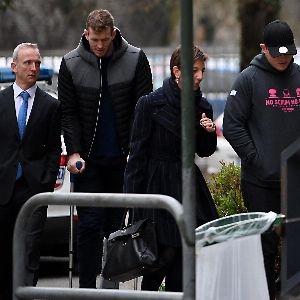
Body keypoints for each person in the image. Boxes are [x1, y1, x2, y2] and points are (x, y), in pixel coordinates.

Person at [58, 9, 153, 289]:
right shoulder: (71, 64)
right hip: (88, 161)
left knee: (116, 229)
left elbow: (142, 110)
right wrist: (74, 151)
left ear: (114, 34)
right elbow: (69, 114)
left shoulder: (136, 59)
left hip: (123, 160)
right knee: (89, 225)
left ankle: (109, 287)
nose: (99, 46)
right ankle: (87, 289)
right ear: (86, 34)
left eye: (104, 39)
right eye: (94, 39)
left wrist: (136, 151)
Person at [123, 45, 219, 292]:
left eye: (202, 71)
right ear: (177, 71)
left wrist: (208, 132)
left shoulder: (203, 106)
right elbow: (136, 157)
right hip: (158, 185)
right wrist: (133, 204)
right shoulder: (149, 104)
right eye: (194, 71)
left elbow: (205, 151)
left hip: (187, 183)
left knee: (184, 257)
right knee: (161, 257)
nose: (200, 76)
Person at [223, 20, 300, 300]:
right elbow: (232, 125)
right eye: (277, 53)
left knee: (296, 247)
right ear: (263, 48)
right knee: (264, 248)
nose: (283, 59)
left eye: (288, 53)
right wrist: (257, 159)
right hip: (260, 182)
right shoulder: (248, 80)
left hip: (296, 182)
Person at [0, 43, 61, 300]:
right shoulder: (1, 101)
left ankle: (25, 295)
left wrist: (45, 183)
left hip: (34, 189)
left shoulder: (50, 105)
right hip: (3, 188)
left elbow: (53, 150)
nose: (34, 68)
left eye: (37, 63)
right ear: (14, 67)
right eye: (27, 63)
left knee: (29, 250)